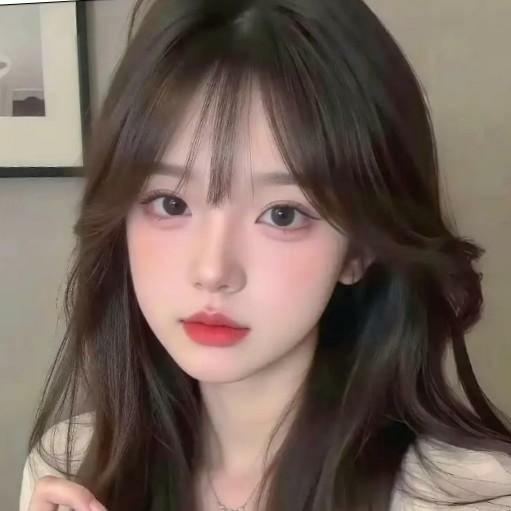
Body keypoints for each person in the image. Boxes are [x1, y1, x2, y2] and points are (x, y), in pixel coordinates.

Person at [19, 0, 511, 510]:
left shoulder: (473, 497)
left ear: (359, 248)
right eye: (170, 203)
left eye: (282, 214)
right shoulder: (69, 468)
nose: (213, 271)